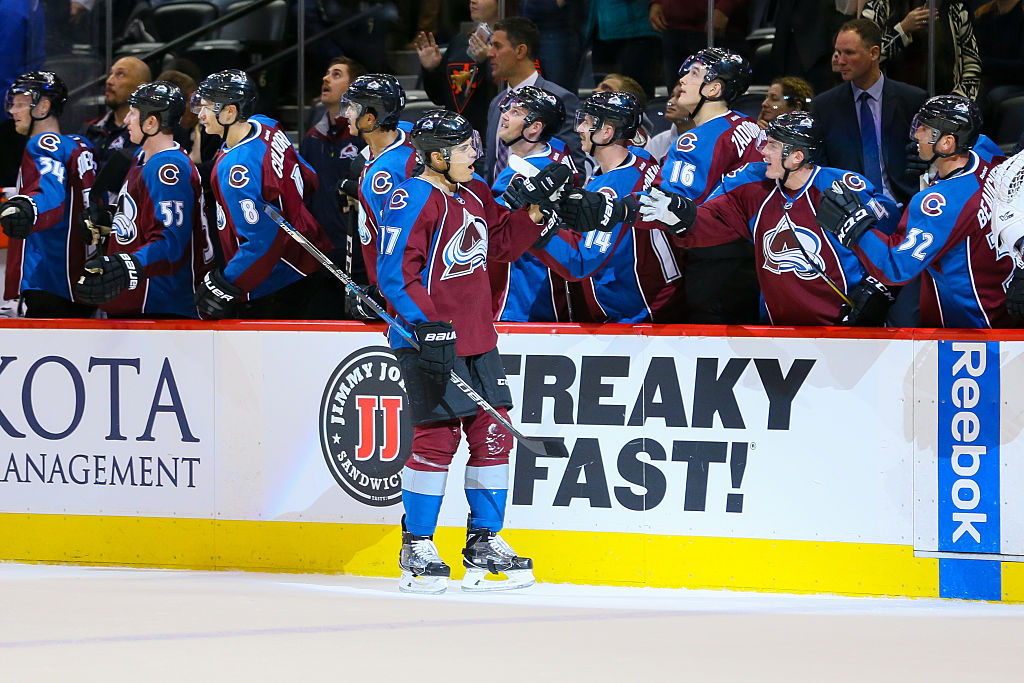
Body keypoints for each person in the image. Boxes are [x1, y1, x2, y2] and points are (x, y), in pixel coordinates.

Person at [375, 109, 546, 594]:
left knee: (493, 433)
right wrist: (426, 326)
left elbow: (500, 247)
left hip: (478, 338)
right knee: (437, 440)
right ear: (436, 156)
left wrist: (537, 215)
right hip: (427, 339)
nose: (475, 153)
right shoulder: (412, 197)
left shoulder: (474, 192)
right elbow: (396, 273)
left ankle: (484, 540)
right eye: (465, 147)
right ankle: (418, 544)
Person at [554, 112, 901, 325]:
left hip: (845, 331)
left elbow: (893, 235)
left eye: (773, 146)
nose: (763, 150)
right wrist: (635, 212)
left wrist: (882, 289)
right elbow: (704, 222)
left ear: (797, 155)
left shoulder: (842, 186)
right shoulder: (753, 187)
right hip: (778, 331)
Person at [817, 96, 1012, 328]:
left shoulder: (940, 203)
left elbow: (895, 268)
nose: (917, 134)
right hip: (1001, 301)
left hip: (971, 325)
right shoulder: (986, 151)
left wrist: (856, 228)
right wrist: (932, 172)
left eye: (926, 129)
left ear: (947, 142)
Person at [189, 69, 334, 320]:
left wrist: (227, 283)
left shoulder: (236, 168)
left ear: (230, 112)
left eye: (208, 107)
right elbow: (309, 177)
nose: (200, 115)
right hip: (309, 255)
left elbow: (261, 241)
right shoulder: (265, 125)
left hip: (276, 279)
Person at [529, 91, 684, 323]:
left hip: (635, 315)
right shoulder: (642, 158)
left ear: (607, 132)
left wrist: (533, 224)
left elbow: (580, 263)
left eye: (587, 122)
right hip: (663, 297)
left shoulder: (609, 190)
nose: (579, 128)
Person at [73, 82, 211, 319]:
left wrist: (124, 266)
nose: (126, 119)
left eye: (133, 113)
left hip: (160, 305)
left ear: (151, 122)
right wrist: (109, 222)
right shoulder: (142, 158)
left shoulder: (167, 168)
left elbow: (170, 243)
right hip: (143, 303)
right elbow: (143, 220)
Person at [662, 47, 765, 324]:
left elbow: (671, 207)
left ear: (714, 88)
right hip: (753, 261)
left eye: (694, 74)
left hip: (714, 265)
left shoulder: (695, 140)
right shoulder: (748, 124)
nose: (682, 80)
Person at [1, 71, 96, 318]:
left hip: (49, 279)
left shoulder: (41, 143)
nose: (13, 111)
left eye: (20, 103)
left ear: (43, 106)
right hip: (80, 280)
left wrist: (29, 207)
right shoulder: (80, 144)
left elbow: (50, 194)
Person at [813, 19, 927, 207]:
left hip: (905, 207)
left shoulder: (912, 100)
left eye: (849, 53)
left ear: (874, 53)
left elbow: (922, 162)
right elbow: (822, 170)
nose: (840, 61)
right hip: (850, 212)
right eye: (838, 52)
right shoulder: (824, 107)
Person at [489, 85, 579, 322]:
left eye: (516, 112)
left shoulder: (521, 176)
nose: (505, 116)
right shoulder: (557, 150)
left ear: (535, 128)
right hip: (551, 286)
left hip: (520, 294)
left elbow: (492, 231)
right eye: (508, 109)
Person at [339, 73, 419, 321]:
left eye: (352, 108)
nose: (346, 114)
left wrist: (383, 294)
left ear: (370, 118)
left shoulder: (382, 177)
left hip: (398, 295)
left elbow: (398, 241)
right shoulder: (405, 133)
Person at [299, 56, 367, 318]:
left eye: (337, 74)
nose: (326, 79)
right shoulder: (311, 139)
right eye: (327, 74)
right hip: (321, 257)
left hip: (358, 256)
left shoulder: (365, 137)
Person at [483, 17, 583, 183]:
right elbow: (490, 167)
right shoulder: (496, 103)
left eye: (497, 46)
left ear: (520, 51)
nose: (490, 53)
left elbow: (573, 169)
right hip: (497, 206)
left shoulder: (560, 99)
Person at [861, 0, 981, 100]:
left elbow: (971, 62)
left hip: (945, 102)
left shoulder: (955, 9)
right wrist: (902, 30)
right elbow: (863, 58)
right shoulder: (878, 7)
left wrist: (960, 98)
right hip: (890, 103)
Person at [413, 0, 499, 136]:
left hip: (490, 136)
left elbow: (507, 94)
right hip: (454, 137)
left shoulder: (510, 47)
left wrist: (487, 61)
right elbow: (439, 98)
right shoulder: (460, 42)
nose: (473, 1)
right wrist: (431, 69)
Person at [81, 57, 152, 170]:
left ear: (141, 88)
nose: (109, 81)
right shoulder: (91, 129)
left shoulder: (150, 134)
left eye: (120, 74)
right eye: (110, 74)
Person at [645, 83, 693, 163]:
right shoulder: (658, 141)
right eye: (672, 96)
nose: (670, 102)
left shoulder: (713, 141)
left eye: (679, 96)